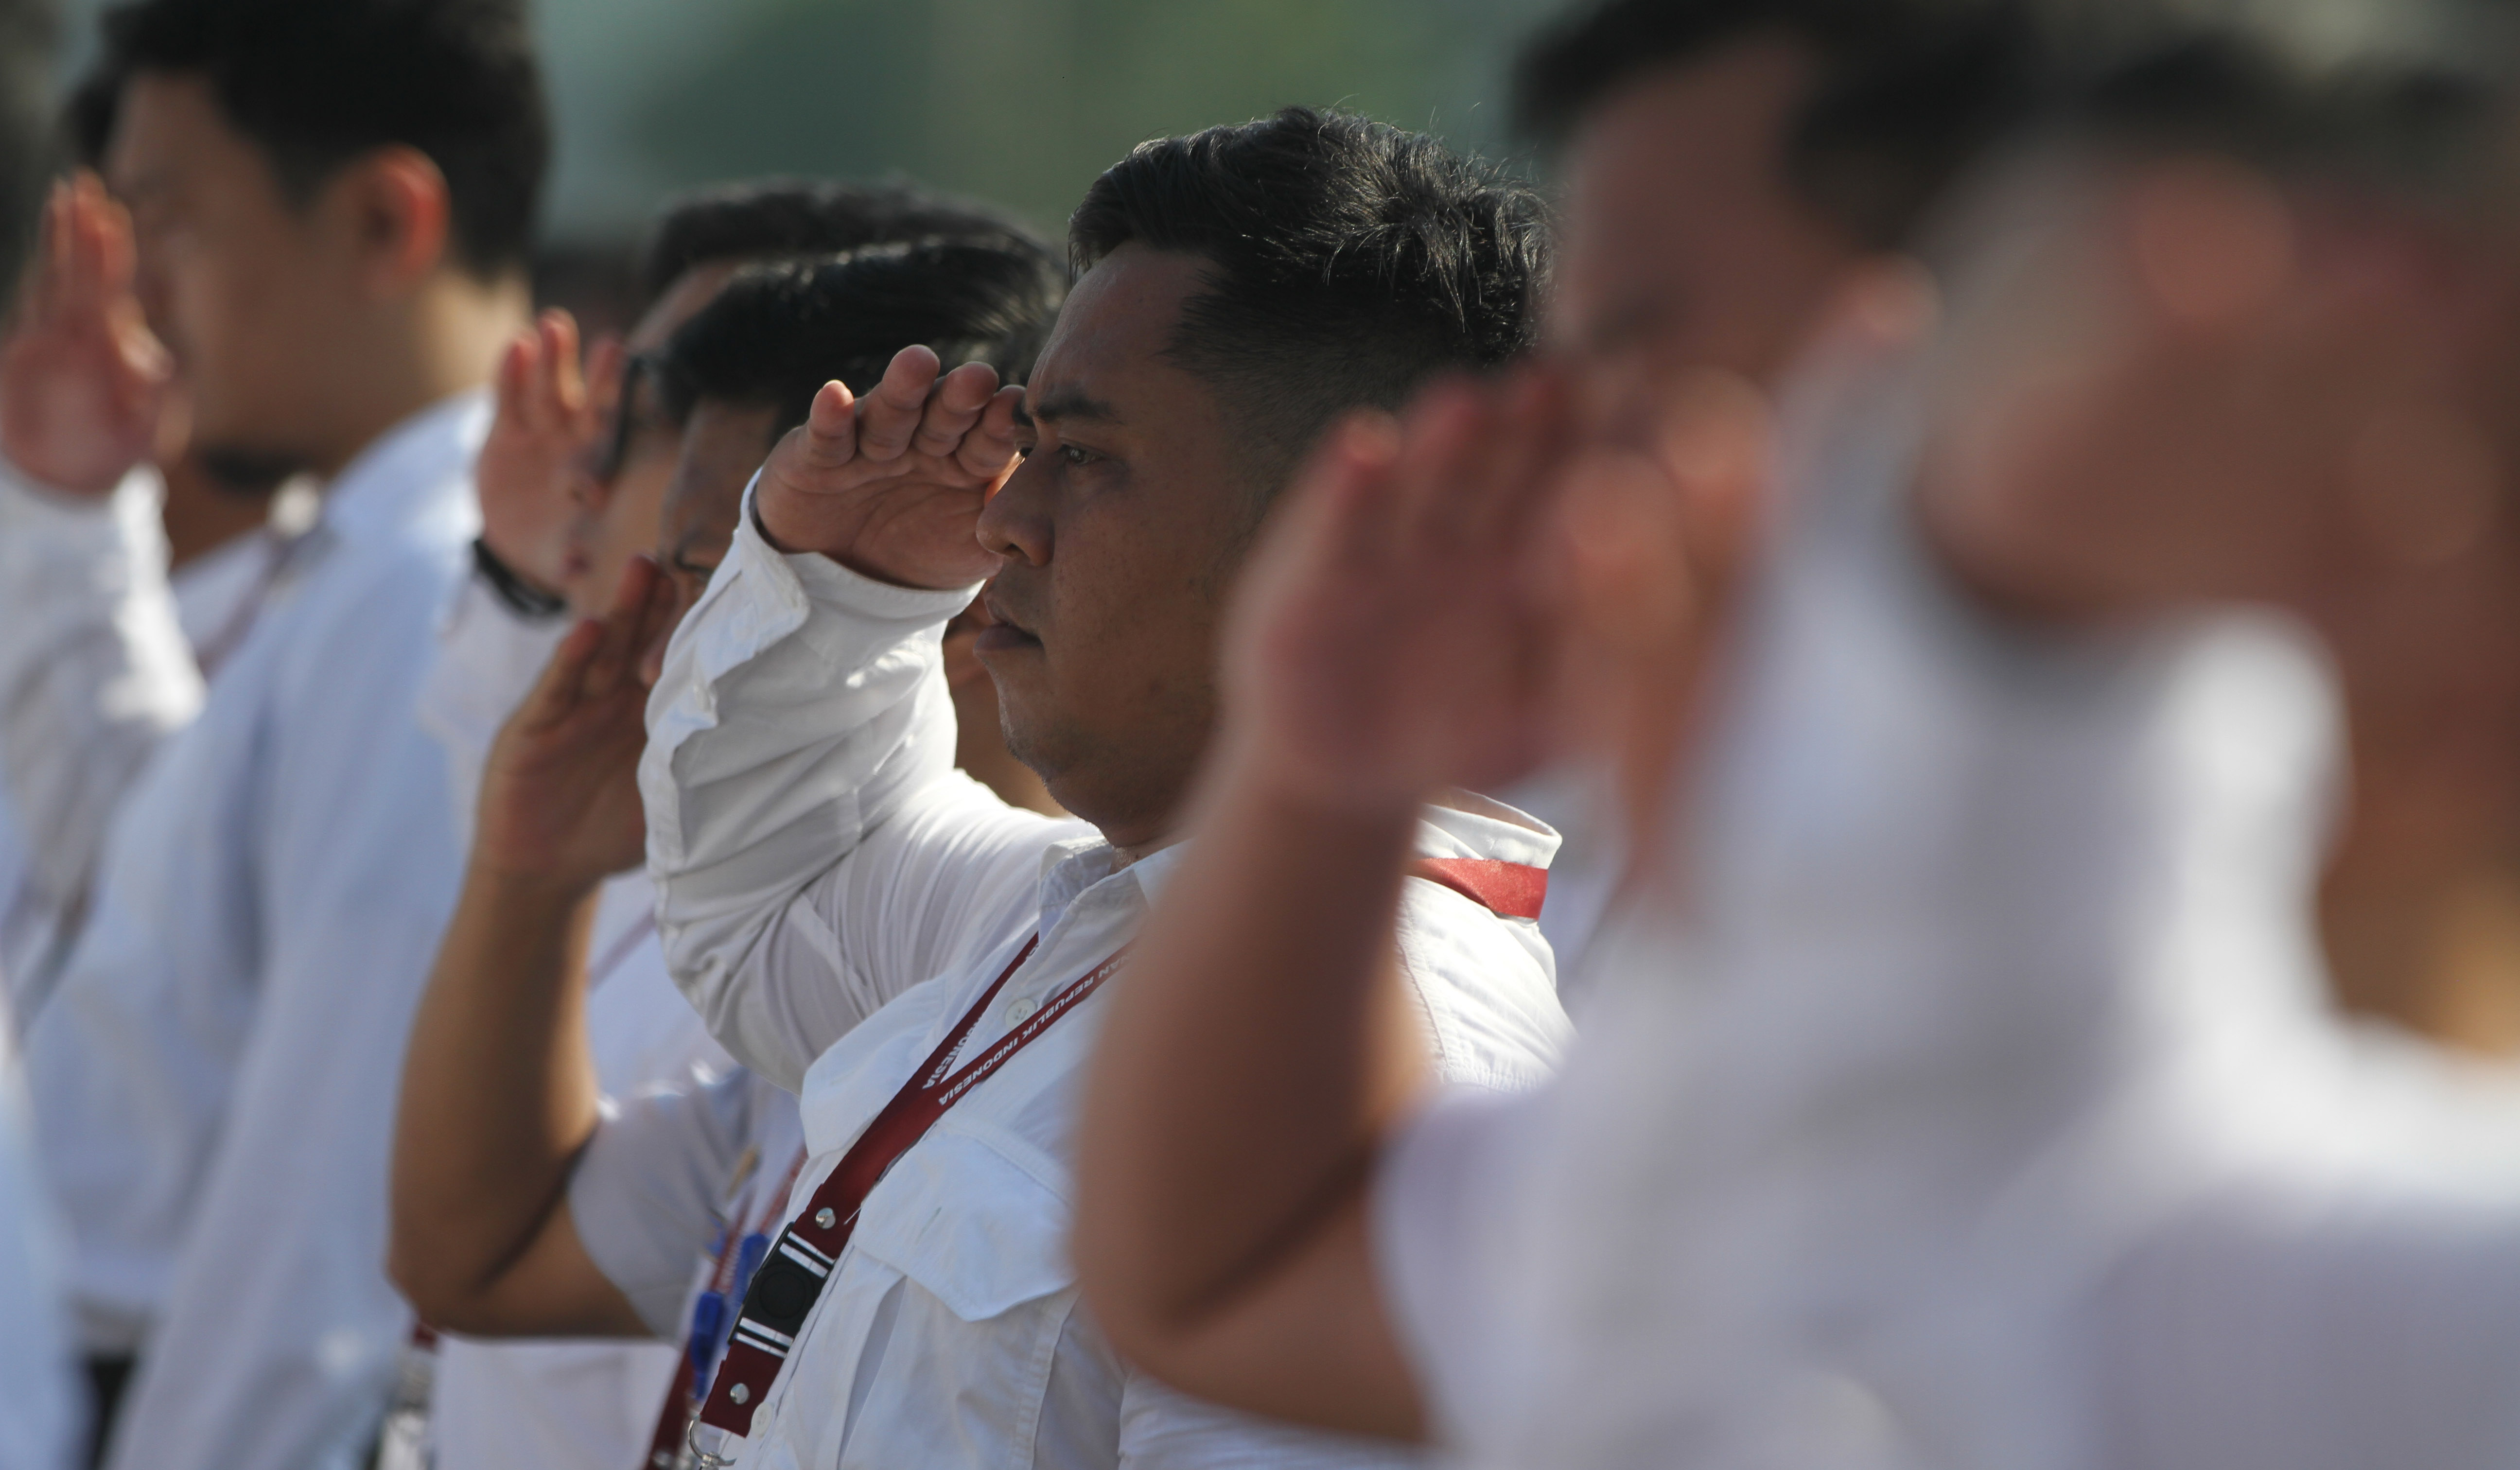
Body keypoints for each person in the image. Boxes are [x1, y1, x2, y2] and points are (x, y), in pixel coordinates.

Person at [1071, 3, 2520, 1468]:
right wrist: (1317, 770)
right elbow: (1229, 1269)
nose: (1555, 471)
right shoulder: (1768, 1120)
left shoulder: (2369, 1292)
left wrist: (1984, 636)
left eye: (1650, 365)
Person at [614, 109, 1561, 1469]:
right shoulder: (1082, 915)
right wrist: (842, 586)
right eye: (1025, 441)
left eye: (1084, 454)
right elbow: (776, 898)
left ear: (1341, 527)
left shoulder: (1387, 1054)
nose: (1005, 511)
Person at [405, 196, 1063, 1470]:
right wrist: (525, 878)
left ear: (965, 584)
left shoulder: (1084, 995)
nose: (666, 632)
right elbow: (466, 1261)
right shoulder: (800, 1018)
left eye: (711, 575)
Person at [0, 1, 548, 1466]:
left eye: (166, 225)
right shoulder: (358, 555)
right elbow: (158, 908)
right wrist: (67, 521)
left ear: (382, 220)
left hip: (176, 1404)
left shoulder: (428, 589)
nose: (137, 300)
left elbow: (318, 1214)